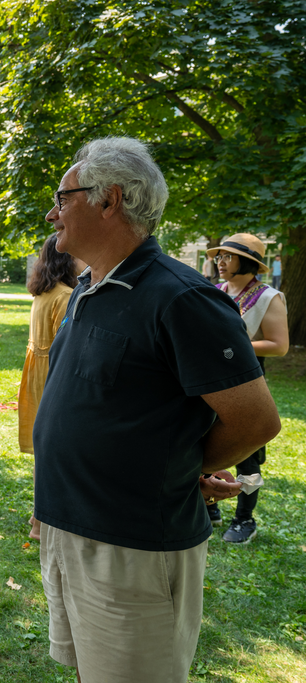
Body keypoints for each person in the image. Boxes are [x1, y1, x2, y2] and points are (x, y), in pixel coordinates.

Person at [33, 137, 280, 683]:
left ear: (109, 199)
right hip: (70, 528)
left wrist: (181, 468)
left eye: (62, 196)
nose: (52, 212)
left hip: (135, 547)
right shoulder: (87, 288)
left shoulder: (182, 298)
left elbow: (257, 422)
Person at [206, 234, 289, 544]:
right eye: (218, 257)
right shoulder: (216, 291)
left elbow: (279, 346)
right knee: (206, 444)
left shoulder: (269, 297)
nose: (220, 262)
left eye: (228, 256)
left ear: (248, 262)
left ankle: (244, 519)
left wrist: (232, 347)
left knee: (247, 454)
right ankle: (210, 507)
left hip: (245, 383)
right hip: (208, 382)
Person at [17, 235, 80, 541]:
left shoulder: (43, 292)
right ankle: (42, 523)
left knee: (46, 454)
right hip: (52, 377)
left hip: (37, 374)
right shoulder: (66, 295)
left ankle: (39, 519)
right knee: (55, 454)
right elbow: (64, 348)